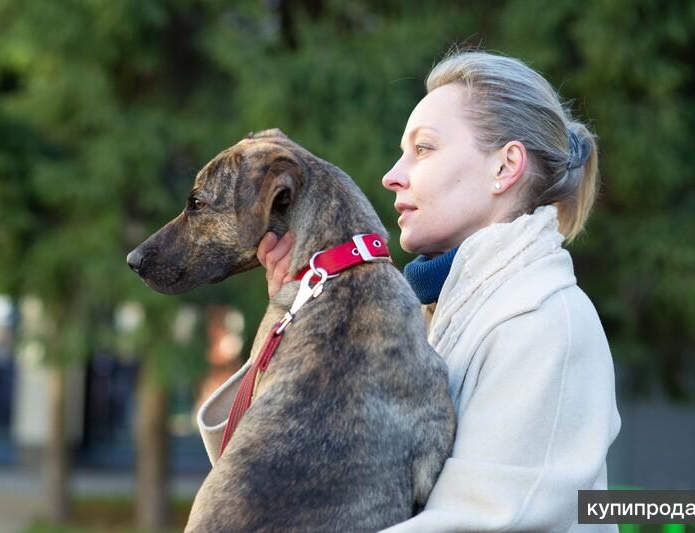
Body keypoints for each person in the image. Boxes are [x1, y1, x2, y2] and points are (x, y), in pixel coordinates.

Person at [216, 49, 621, 532]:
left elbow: (472, 523)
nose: (392, 176)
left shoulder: (546, 322)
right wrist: (292, 325)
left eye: (423, 149)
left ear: (505, 167)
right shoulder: (434, 310)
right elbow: (293, 486)